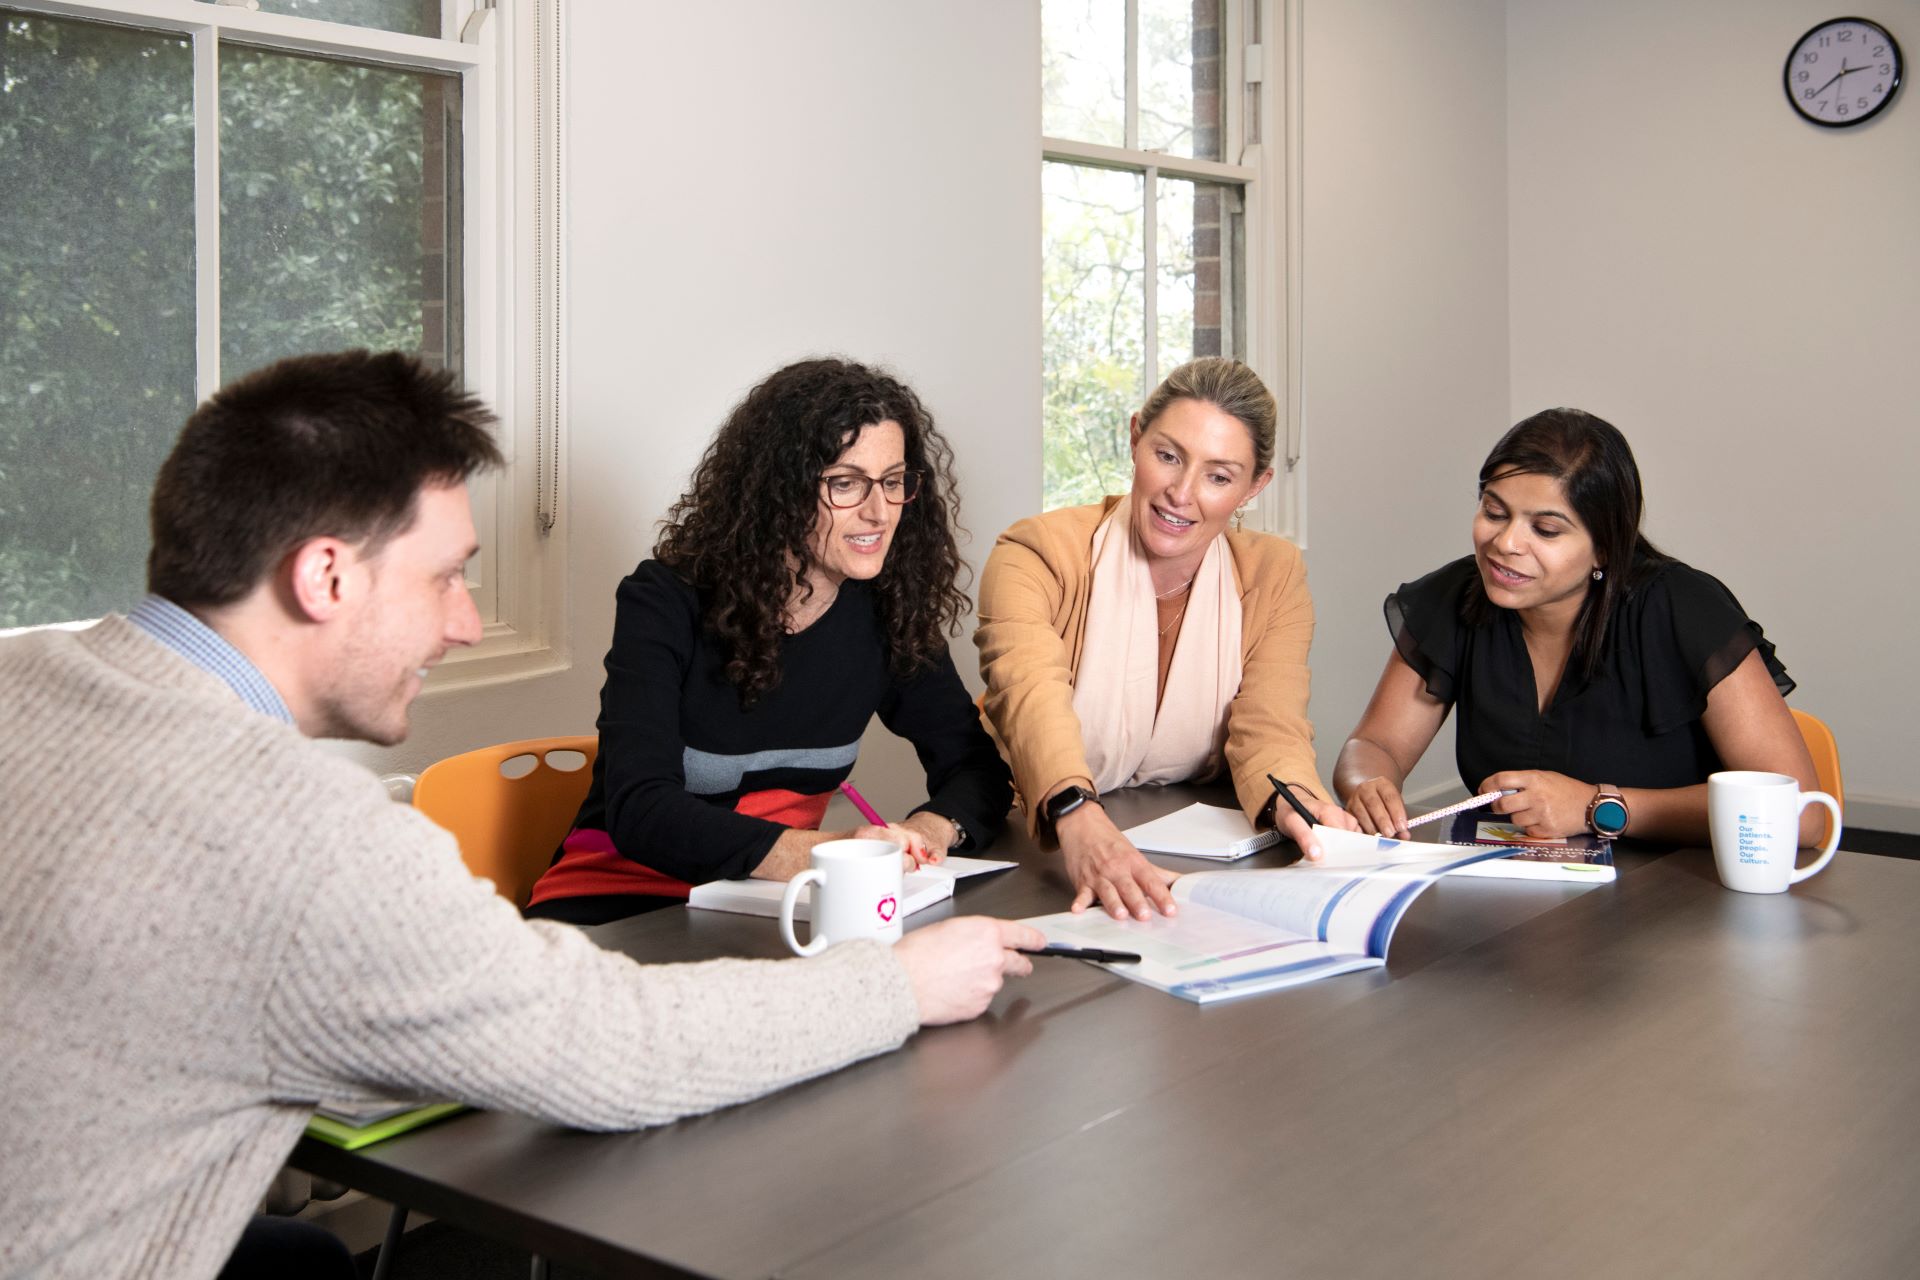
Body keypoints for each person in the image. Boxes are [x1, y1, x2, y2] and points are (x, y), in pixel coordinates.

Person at [0, 351, 1043, 1280]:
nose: (462, 622)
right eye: (449, 574)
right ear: (324, 575)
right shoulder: (304, 832)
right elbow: (603, 1047)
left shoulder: (21, 677)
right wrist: (895, 983)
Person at [525, 358, 1015, 926]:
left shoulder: (888, 607)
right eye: (845, 483)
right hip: (617, 902)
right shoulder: (663, 600)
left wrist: (922, 834)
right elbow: (642, 810)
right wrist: (832, 853)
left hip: (768, 907)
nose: (879, 512)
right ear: (779, 490)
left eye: (894, 481)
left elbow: (975, 769)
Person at [975, 357, 1356, 924]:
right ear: (1135, 439)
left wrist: (1299, 805)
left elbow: (1270, 725)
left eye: (1219, 476)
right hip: (1027, 836)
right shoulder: (1035, 553)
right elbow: (1027, 695)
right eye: (1168, 456)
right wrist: (1076, 812)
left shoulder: (1274, 574)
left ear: (1255, 486)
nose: (1181, 492)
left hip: (1188, 854)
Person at [1334, 407, 1819, 845]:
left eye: (1545, 530)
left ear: (1606, 548)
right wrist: (1369, 784)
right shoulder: (1455, 598)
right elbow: (1375, 745)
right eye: (1493, 511)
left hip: (1685, 901)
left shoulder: (1681, 607)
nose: (1505, 543)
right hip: (1521, 904)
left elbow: (1799, 815)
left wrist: (1598, 806)